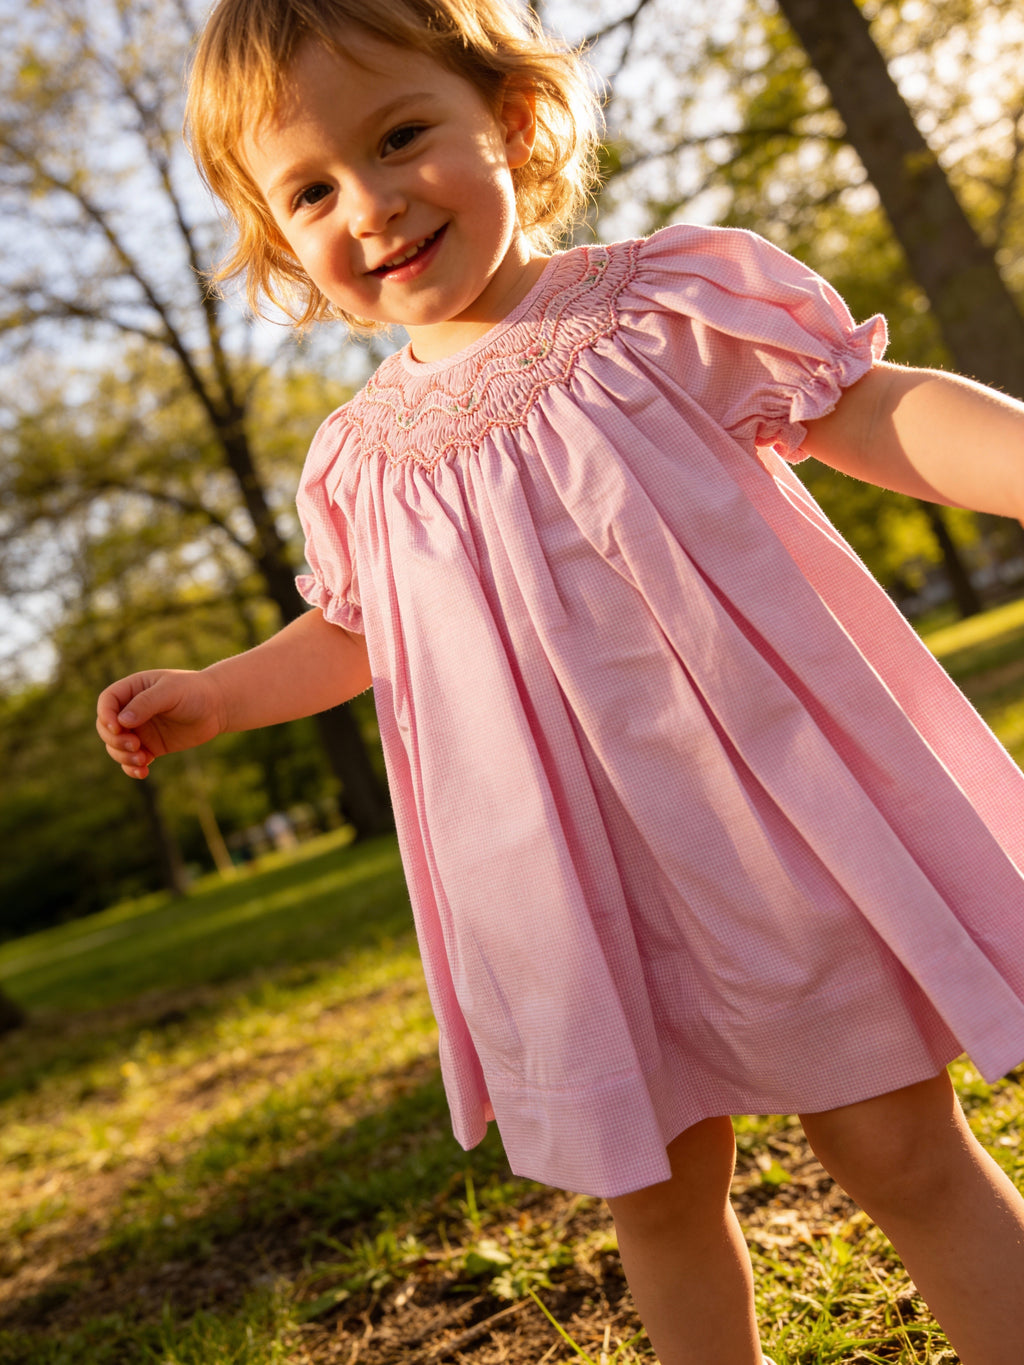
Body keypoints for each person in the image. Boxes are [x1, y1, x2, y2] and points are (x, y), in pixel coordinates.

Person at [96, 1, 1024, 1360]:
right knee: (652, 1191)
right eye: (312, 190)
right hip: (560, 890)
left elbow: (865, 404)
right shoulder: (358, 461)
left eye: (402, 133)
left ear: (514, 122)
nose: (374, 203)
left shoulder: (658, 305)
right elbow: (359, 630)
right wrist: (225, 692)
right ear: (281, 241)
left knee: (895, 1142)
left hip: (764, 826)